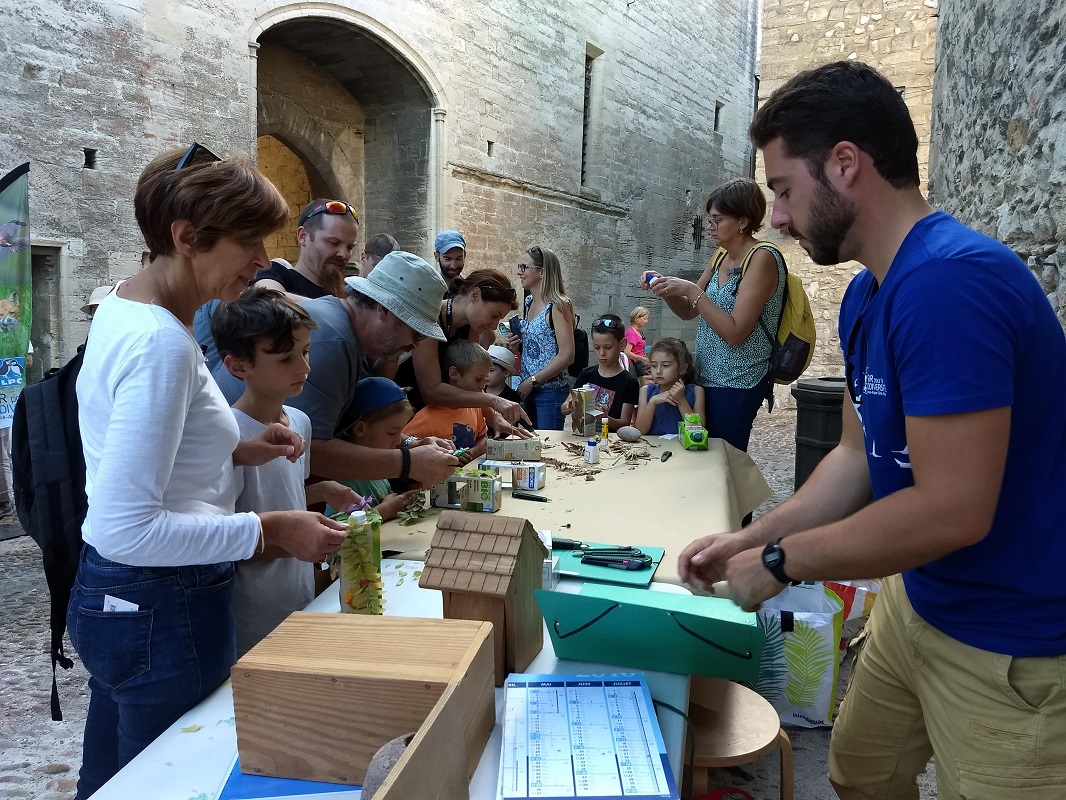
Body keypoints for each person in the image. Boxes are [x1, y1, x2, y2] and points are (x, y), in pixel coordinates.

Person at [679, 61, 1066, 800]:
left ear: (846, 164)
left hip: (1013, 642)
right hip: (919, 603)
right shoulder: (869, 294)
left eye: (785, 189)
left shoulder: (951, 284)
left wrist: (784, 560)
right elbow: (857, 458)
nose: (782, 219)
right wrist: (749, 539)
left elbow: (952, 507)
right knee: (862, 772)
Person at [68, 144, 347, 798]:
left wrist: (236, 448)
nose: (262, 261)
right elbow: (126, 529)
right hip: (162, 603)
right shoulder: (162, 343)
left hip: (121, 601)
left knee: (112, 779)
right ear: (187, 238)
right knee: (169, 784)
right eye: (249, 242)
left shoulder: (130, 306)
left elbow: (140, 446)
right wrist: (268, 530)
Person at [197, 251, 461, 490]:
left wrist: (407, 443)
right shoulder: (332, 342)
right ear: (384, 310)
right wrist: (407, 462)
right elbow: (313, 451)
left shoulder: (340, 328)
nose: (415, 344)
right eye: (415, 332)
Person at [211, 287, 361, 656]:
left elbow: (281, 497)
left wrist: (323, 491)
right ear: (238, 366)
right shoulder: (227, 436)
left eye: (306, 351)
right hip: (252, 615)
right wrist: (297, 540)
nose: (305, 368)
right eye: (285, 358)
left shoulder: (301, 422)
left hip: (298, 597)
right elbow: (224, 539)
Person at [642, 178, 785, 452]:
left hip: (738, 382)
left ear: (743, 221)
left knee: (723, 458)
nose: (710, 226)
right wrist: (667, 288)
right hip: (707, 377)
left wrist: (688, 288)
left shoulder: (762, 258)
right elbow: (687, 310)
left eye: (717, 220)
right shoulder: (720, 256)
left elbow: (734, 332)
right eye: (709, 219)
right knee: (696, 451)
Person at [394, 269, 530, 436]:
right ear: (475, 295)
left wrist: (493, 416)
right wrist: (494, 401)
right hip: (406, 417)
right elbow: (431, 391)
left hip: (437, 419)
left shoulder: (470, 325)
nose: (494, 326)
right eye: (494, 315)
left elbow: (470, 382)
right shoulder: (431, 317)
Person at [328, 377, 421, 521]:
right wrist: (385, 510)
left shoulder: (377, 470)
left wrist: (403, 500)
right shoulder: (343, 481)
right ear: (360, 428)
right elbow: (337, 528)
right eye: (391, 433)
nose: (398, 441)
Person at [511, 245, 575, 430]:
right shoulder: (529, 301)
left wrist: (532, 381)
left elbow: (567, 355)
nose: (519, 272)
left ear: (542, 272)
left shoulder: (559, 305)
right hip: (530, 389)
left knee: (548, 447)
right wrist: (519, 345)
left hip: (550, 391)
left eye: (524, 267)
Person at [402, 340, 490, 466]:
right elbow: (403, 447)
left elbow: (483, 437)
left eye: (485, 380)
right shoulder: (426, 417)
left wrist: (472, 453)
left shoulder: (474, 408)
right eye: (478, 379)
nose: (482, 386)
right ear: (454, 374)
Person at [254, 199, 360, 298]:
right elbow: (266, 297)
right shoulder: (278, 274)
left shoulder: (346, 295)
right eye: (333, 243)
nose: (344, 254)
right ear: (303, 236)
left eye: (349, 248)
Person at [560, 314, 638, 432]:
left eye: (608, 347)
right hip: (582, 439)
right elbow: (564, 407)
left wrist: (606, 419)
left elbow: (624, 423)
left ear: (622, 344)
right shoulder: (586, 374)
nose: (602, 353)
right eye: (596, 347)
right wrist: (569, 407)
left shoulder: (629, 382)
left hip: (610, 442)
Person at [634, 337, 705, 435]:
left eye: (666, 365)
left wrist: (681, 400)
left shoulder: (696, 391)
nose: (658, 371)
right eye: (654, 365)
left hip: (684, 449)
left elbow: (698, 432)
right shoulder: (645, 391)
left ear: (683, 368)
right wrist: (652, 402)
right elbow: (640, 431)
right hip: (653, 447)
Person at [623, 306, 651, 375]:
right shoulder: (631, 333)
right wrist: (642, 358)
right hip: (632, 365)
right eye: (644, 319)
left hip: (638, 363)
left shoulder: (638, 332)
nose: (646, 321)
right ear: (637, 319)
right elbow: (627, 352)